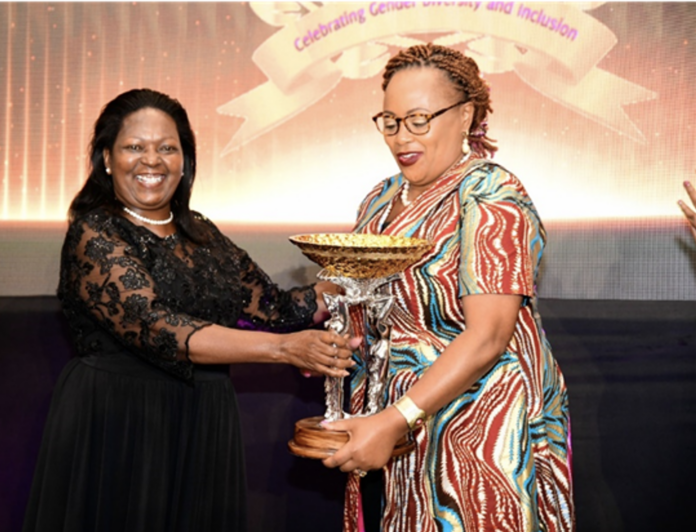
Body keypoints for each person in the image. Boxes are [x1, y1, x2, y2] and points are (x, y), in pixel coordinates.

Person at [22, 88, 358, 532]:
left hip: (203, 421)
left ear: (185, 160)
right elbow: (158, 326)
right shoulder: (95, 232)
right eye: (134, 147)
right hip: (119, 424)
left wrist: (345, 277)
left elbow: (275, 307)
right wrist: (283, 350)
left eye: (167, 148)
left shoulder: (200, 231)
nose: (152, 161)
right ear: (106, 158)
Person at [322, 44, 575, 532]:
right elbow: (352, 301)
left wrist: (396, 418)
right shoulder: (379, 199)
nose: (401, 137)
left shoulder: (491, 194)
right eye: (390, 121)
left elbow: (488, 337)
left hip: (479, 426)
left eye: (419, 119)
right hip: (393, 427)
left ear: (466, 116)